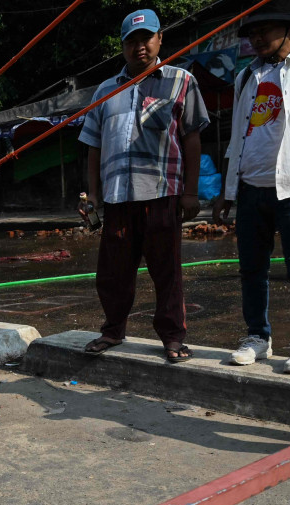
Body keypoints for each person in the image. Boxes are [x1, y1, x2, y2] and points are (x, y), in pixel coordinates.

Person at [213, 0, 290, 374]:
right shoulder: (246, 76)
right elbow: (238, 138)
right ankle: (257, 337)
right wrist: (227, 191)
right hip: (251, 188)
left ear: (288, 29)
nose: (256, 38)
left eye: (264, 30)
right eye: (251, 33)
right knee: (252, 269)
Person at [77, 9, 208, 363]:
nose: (140, 47)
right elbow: (93, 146)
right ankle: (112, 330)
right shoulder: (105, 91)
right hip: (118, 197)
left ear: (160, 39)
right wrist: (92, 196)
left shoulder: (181, 81)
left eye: (146, 38)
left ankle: (173, 337)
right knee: (113, 272)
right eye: (132, 41)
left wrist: (191, 192)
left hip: (162, 194)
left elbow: (192, 139)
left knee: (167, 271)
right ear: (122, 46)